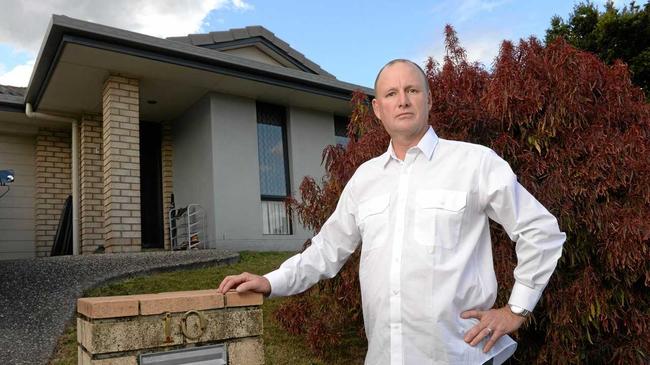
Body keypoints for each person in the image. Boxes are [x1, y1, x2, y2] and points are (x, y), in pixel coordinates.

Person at [218, 59, 566, 365]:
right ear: (377, 109)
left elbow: (541, 231)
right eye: (391, 93)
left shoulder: (474, 163)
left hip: (460, 356)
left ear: (428, 100)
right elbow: (326, 251)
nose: (402, 100)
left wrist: (516, 310)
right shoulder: (364, 179)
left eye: (412, 90)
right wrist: (270, 282)